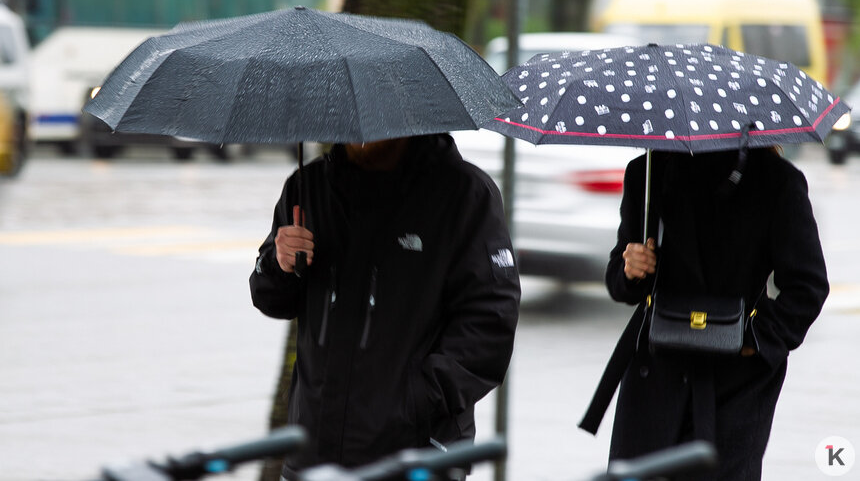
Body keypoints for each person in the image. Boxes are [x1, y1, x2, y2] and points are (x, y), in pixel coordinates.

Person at [249, 133, 520, 480]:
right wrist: (279, 262)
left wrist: (417, 399)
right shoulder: (307, 187)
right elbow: (269, 297)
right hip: (312, 455)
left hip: (415, 455)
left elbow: (491, 321)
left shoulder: (465, 194)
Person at [579, 146, 829, 480]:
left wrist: (753, 339)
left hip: (733, 381)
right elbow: (621, 279)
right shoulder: (648, 170)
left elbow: (807, 286)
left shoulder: (776, 179)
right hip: (657, 371)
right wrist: (631, 268)